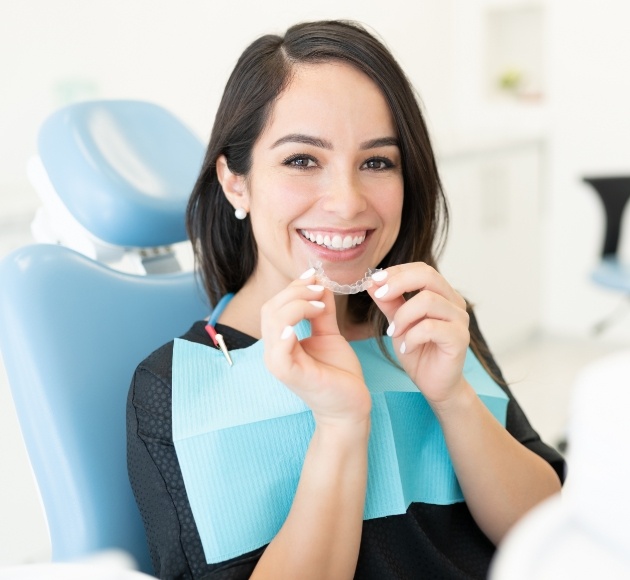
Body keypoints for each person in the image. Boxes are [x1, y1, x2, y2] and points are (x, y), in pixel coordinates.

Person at [127, 20, 564, 580]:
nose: (346, 201)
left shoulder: (431, 322)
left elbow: (557, 536)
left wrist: (453, 397)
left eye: (377, 162)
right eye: (302, 160)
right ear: (236, 183)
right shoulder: (174, 385)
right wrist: (340, 423)